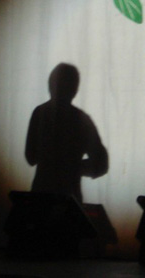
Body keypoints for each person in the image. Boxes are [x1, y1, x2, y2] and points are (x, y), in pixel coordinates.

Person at [25, 63, 108, 203]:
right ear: (74, 90)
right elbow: (101, 164)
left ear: (50, 85)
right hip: (70, 197)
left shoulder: (40, 113)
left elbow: (30, 157)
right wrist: (74, 168)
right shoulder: (81, 119)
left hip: (40, 195)